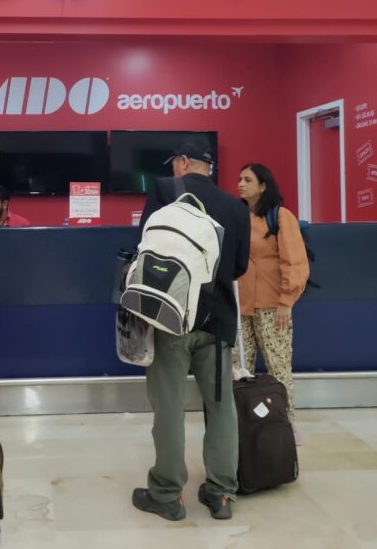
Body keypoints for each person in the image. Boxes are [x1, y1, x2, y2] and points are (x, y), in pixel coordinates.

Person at [131, 141, 249, 522]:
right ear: (209, 167)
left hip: (170, 320)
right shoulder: (235, 207)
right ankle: (221, 493)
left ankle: (166, 493)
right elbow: (239, 267)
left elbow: (146, 250)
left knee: (168, 407)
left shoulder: (166, 193)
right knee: (220, 406)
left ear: (182, 163)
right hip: (218, 324)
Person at [234, 163, 309, 442]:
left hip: (272, 306)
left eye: (247, 179)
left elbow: (295, 261)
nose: (240, 184)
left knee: (278, 368)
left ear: (263, 185)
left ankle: (285, 425)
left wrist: (286, 302)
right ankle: (245, 424)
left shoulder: (281, 217)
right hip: (240, 305)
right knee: (239, 367)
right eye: (239, 179)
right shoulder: (237, 216)